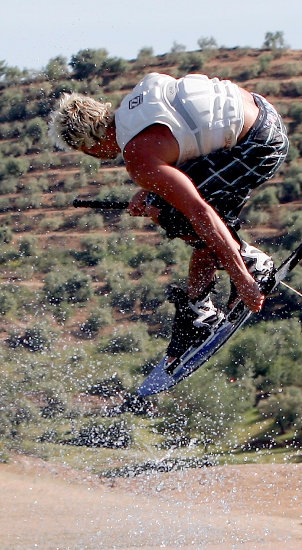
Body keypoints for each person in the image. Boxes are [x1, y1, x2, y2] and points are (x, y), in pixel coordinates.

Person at [48, 72, 289, 364]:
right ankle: (200, 310)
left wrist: (242, 277)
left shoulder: (137, 157)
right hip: (264, 113)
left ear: (88, 146)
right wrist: (152, 190)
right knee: (169, 206)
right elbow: (187, 134)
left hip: (259, 146)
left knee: (176, 215)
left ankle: (251, 264)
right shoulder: (136, 102)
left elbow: (199, 211)